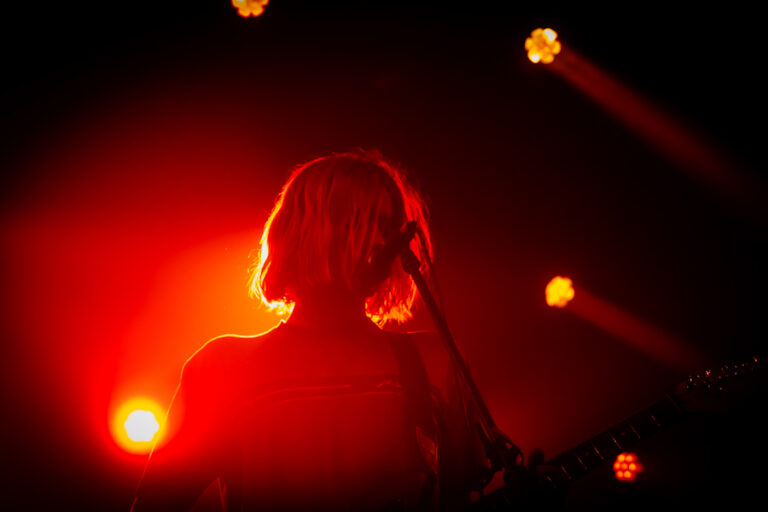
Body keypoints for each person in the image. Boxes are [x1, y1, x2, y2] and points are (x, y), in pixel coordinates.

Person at [131, 150, 495, 512]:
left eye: (387, 224)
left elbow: (458, 494)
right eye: (357, 221)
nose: (379, 240)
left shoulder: (433, 361)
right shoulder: (222, 367)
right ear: (303, 231)